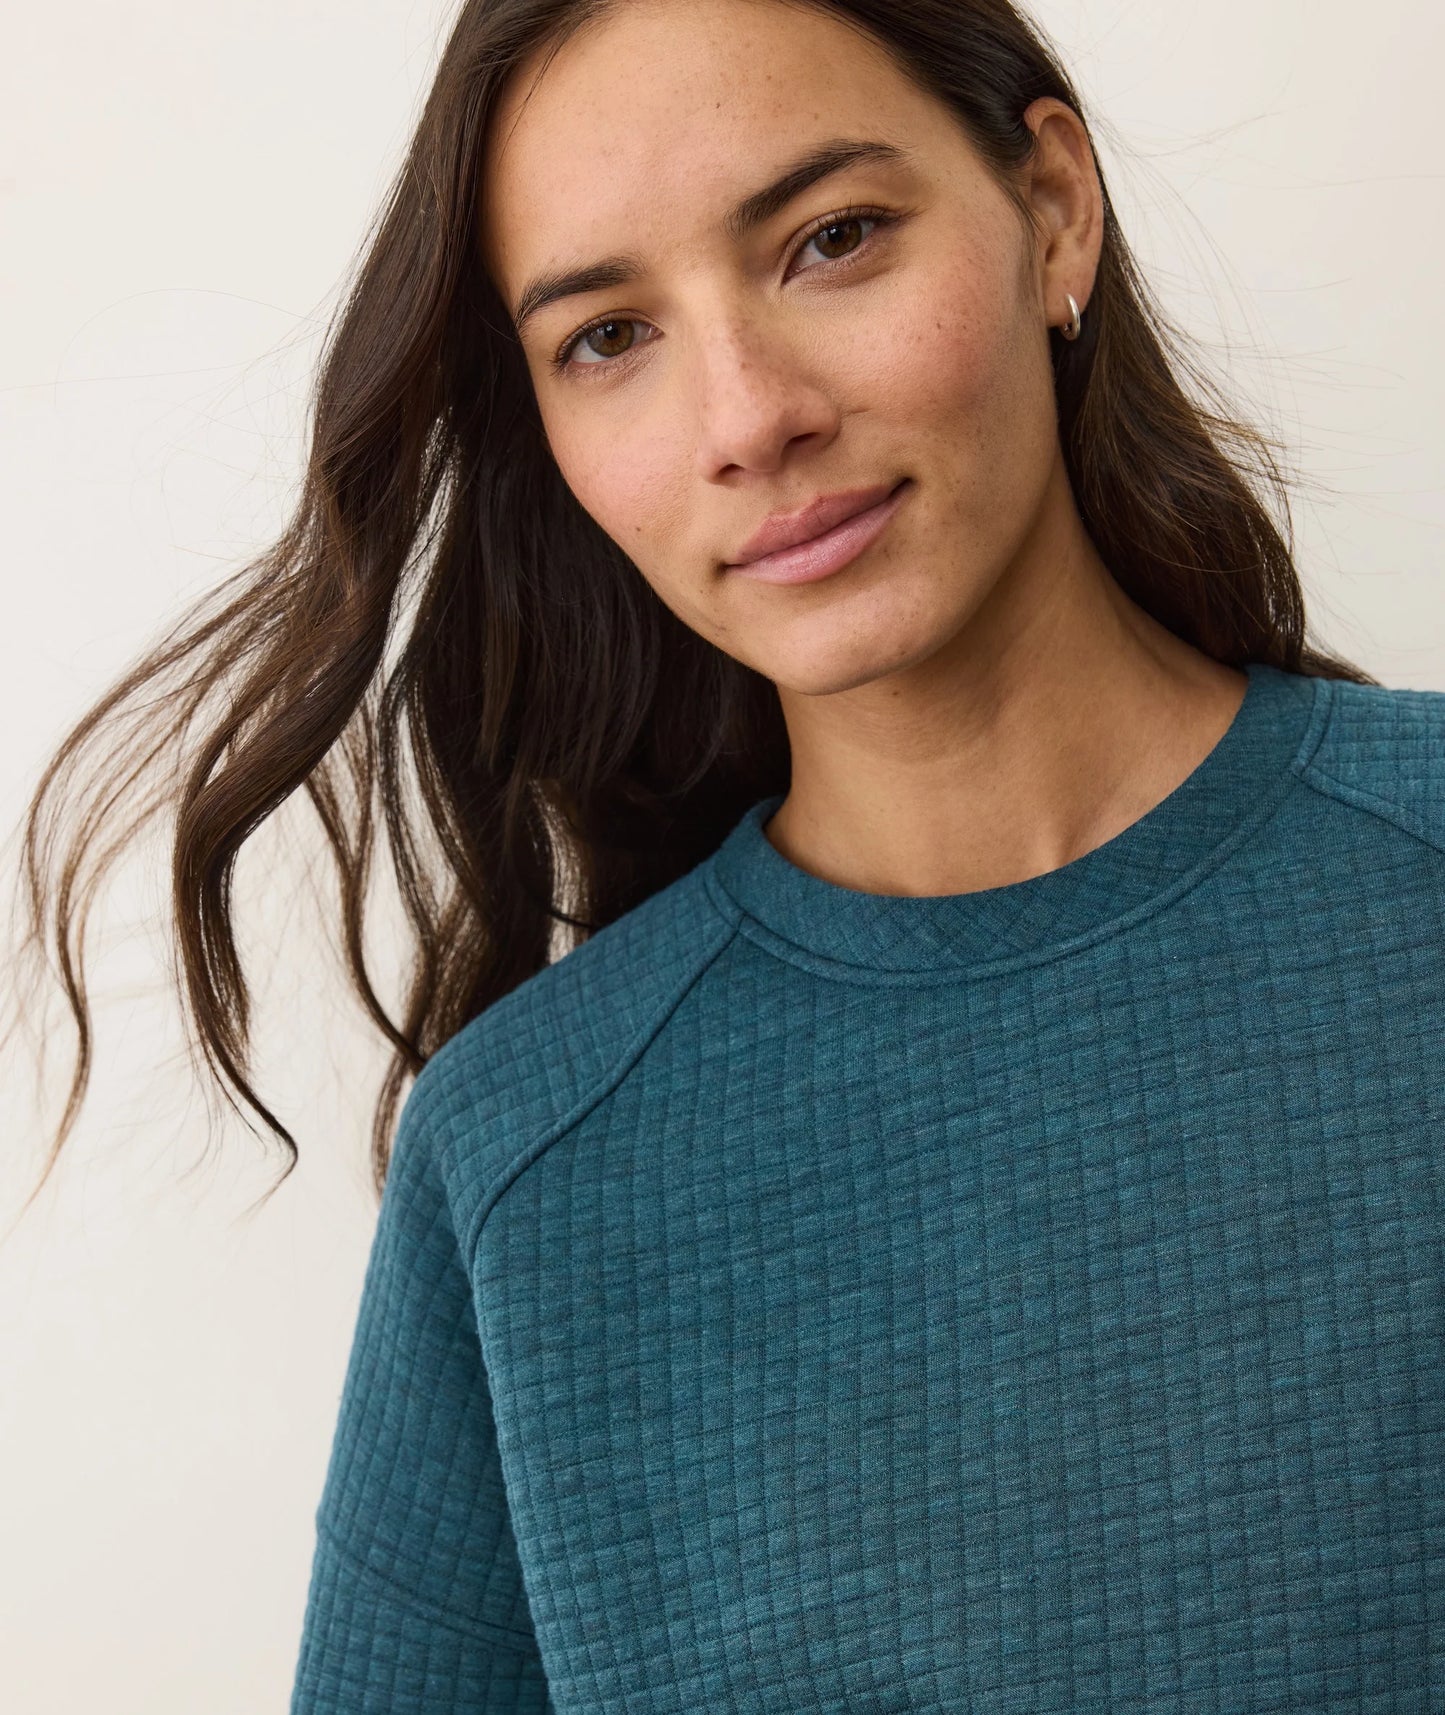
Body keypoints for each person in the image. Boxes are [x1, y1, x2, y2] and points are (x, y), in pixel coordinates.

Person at [9, 0, 1442, 1709]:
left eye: (829, 240)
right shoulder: (526, 1162)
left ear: (1051, 208)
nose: (748, 417)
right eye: (609, 336)